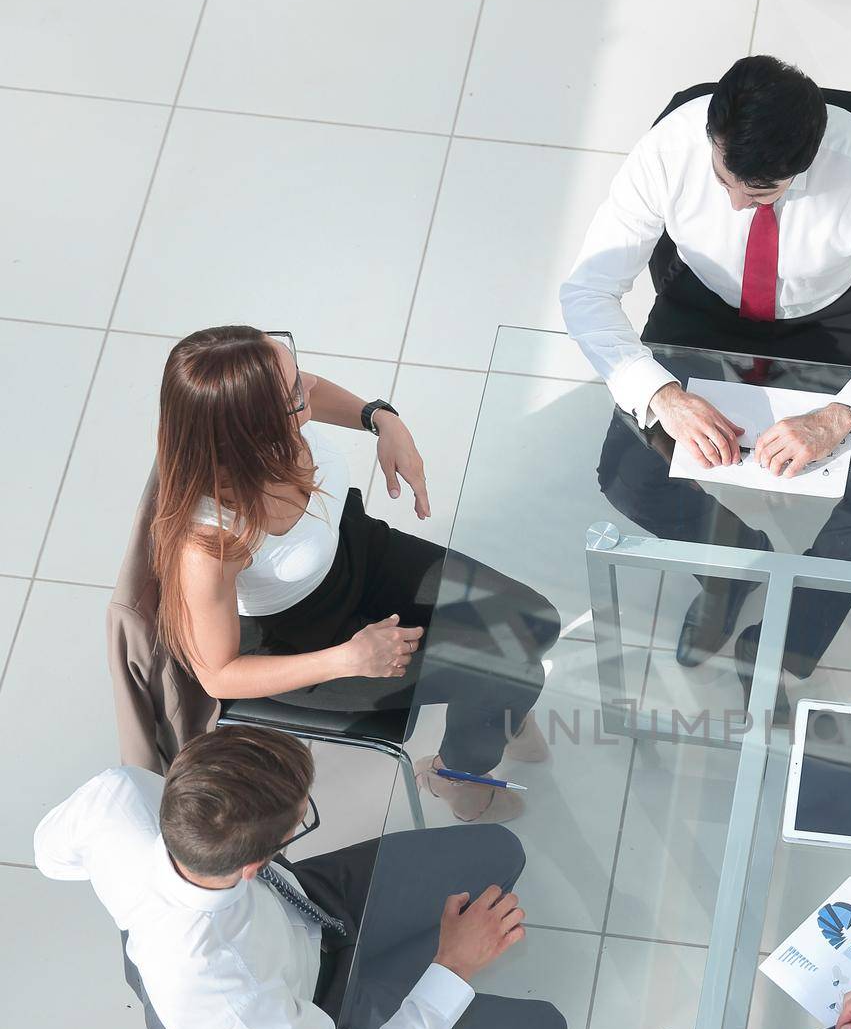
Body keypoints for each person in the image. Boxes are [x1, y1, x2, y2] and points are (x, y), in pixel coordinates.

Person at [561, 54, 851, 698]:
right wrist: (659, 393)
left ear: (805, 163)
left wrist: (838, 417)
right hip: (706, 303)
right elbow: (586, 292)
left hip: (836, 314)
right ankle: (734, 566)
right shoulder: (670, 146)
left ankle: (787, 640)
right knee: (627, 477)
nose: (738, 203)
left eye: (762, 192)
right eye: (726, 181)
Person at [34, 727, 569, 1029]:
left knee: (501, 851)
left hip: (307, 904)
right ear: (250, 862)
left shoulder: (120, 797)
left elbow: (50, 856)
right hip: (324, 1014)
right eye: (302, 817)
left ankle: (407, 966)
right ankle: (410, 975)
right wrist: (452, 966)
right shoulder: (226, 998)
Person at [150, 325, 561, 824]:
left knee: (536, 622)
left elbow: (319, 391)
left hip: (357, 550)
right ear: (252, 425)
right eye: (294, 390)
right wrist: (347, 659)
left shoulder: (285, 404)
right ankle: (457, 778)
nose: (309, 387)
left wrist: (381, 419)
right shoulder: (209, 541)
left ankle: (493, 718)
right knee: (511, 669)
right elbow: (216, 675)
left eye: (296, 371)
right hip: (308, 641)